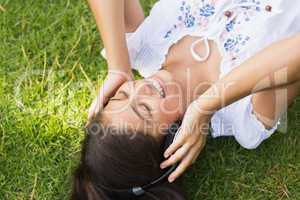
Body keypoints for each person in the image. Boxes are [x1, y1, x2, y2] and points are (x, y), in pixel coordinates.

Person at [71, 0, 300, 199]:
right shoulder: (244, 115)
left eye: (122, 95)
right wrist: (205, 104)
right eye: (144, 109)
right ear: (173, 140)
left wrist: (118, 66)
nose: (141, 89)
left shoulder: (143, 47)